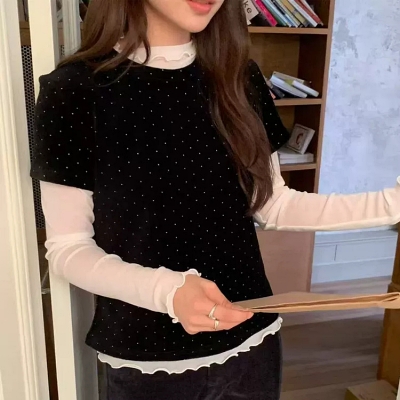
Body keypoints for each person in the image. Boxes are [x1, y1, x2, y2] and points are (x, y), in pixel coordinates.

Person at [30, 0, 400, 399]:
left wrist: (391, 203)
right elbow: (69, 250)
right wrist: (168, 291)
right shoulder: (73, 90)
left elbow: (274, 204)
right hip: (149, 359)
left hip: (252, 341)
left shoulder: (241, 76)